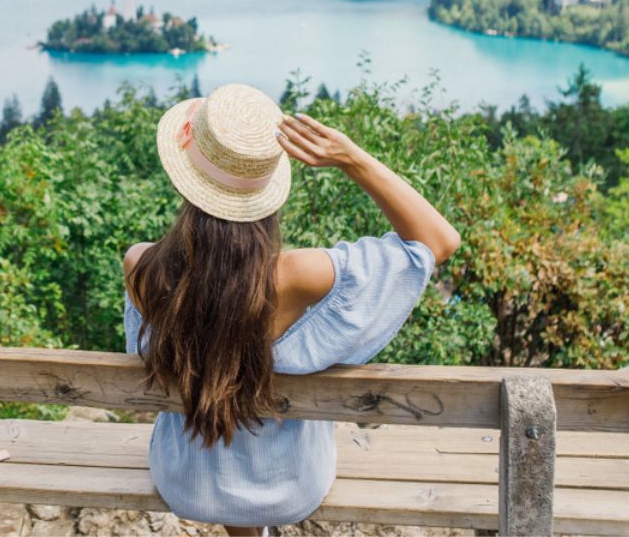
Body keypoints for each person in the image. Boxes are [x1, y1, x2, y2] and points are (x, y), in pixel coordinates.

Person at [124, 83, 460, 534]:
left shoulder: (142, 266)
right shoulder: (300, 275)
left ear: (186, 177)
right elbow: (439, 242)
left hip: (186, 482)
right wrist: (352, 159)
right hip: (289, 487)